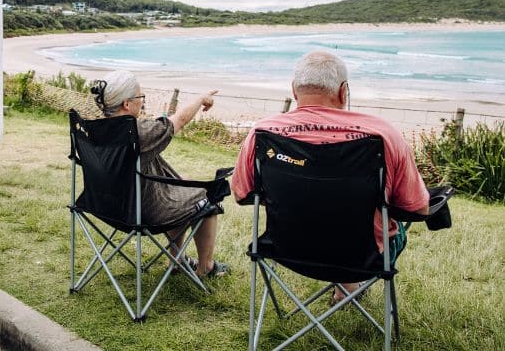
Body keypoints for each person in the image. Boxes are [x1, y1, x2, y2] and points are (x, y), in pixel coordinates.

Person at [231, 51, 429, 301]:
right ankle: (346, 289)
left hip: (287, 248)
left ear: (294, 91)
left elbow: (241, 194)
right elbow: (418, 208)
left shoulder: (262, 133)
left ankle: (345, 290)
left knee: (321, 206)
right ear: (343, 92)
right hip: (364, 255)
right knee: (378, 220)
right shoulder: (382, 135)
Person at [92, 70, 227, 278]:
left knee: (177, 189)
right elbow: (179, 120)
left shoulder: (96, 130)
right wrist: (201, 99)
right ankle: (205, 266)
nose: (142, 102)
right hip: (142, 212)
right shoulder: (138, 132)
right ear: (127, 104)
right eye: (140, 98)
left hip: (107, 208)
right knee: (206, 196)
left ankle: (176, 260)